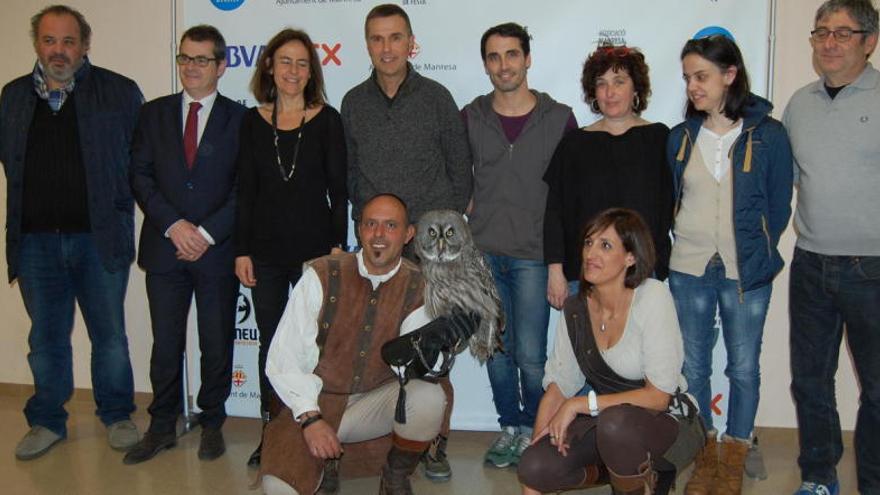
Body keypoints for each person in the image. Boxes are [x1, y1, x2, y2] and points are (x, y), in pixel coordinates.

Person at [0, 4, 142, 460]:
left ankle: (118, 414)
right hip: (36, 242)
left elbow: (138, 163)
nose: (58, 51)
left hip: (98, 239)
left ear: (84, 45)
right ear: (37, 45)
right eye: (49, 40)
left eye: (67, 41)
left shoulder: (119, 92)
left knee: (110, 337)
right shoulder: (14, 96)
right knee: (45, 339)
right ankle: (46, 420)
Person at [259, 194, 453, 495]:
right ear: (359, 230)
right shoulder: (322, 275)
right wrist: (311, 419)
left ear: (408, 234)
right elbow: (284, 359)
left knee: (428, 395)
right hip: (317, 401)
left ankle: (395, 476)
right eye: (370, 224)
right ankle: (323, 463)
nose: (379, 234)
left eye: (391, 225)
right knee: (277, 488)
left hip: (374, 404)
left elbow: (419, 367)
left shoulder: (421, 287)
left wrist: (443, 341)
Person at [667, 34, 793, 494]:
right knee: (695, 367)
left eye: (701, 76)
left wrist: (755, 248)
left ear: (730, 75)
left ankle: (736, 450)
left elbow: (778, 209)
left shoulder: (770, 134)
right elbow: (672, 201)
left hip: (748, 272)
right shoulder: (679, 137)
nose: (693, 86)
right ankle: (704, 453)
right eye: (687, 78)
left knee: (743, 367)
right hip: (689, 269)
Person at [125, 25, 246, 464]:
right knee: (165, 342)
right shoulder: (153, 114)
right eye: (184, 58)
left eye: (200, 60)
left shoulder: (240, 118)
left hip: (216, 251)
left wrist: (206, 234)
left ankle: (212, 421)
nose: (190, 68)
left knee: (216, 343)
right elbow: (139, 175)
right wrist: (174, 225)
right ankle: (162, 424)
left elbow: (243, 188)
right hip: (164, 247)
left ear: (221, 65)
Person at [517, 208, 702, 495]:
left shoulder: (653, 297)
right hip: (608, 428)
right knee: (535, 464)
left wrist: (579, 405)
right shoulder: (575, 309)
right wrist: (536, 452)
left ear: (630, 257)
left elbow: (658, 397)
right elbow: (559, 388)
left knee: (616, 423)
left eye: (605, 245)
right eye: (588, 243)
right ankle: (619, 472)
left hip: (668, 424)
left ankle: (646, 477)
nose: (591, 253)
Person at [461, 22, 576, 469]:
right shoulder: (471, 116)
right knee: (495, 350)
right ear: (486, 64)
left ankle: (534, 428)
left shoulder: (559, 118)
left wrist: (558, 263)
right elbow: (460, 178)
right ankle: (508, 427)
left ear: (527, 59)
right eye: (493, 56)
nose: (503, 64)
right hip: (484, 254)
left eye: (512, 54)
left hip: (533, 256)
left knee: (530, 355)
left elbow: (568, 196)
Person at [234, 28, 347, 468]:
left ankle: (314, 426)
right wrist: (241, 249)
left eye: (302, 63)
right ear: (269, 66)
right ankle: (273, 430)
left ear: (312, 71)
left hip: (315, 253)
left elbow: (340, 192)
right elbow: (245, 191)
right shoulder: (251, 121)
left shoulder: (327, 119)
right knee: (271, 346)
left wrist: (338, 247)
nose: (293, 71)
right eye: (285, 61)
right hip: (263, 252)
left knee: (312, 346)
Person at [782, 1, 880, 494]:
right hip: (812, 265)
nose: (830, 43)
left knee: (879, 391)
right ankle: (819, 479)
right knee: (810, 383)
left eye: (843, 33)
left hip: (874, 269)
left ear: (870, 40)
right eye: (822, 32)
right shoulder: (799, 104)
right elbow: (795, 182)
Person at [543, 45, 672, 313]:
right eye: (601, 84)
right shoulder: (574, 144)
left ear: (636, 89)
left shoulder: (660, 140)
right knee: (587, 354)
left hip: (642, 277)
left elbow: (671, 210)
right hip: (586, 277)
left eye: (619, 82)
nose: (609, 92)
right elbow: (554, 212)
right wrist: (555, 271)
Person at [342, 3, 472, 226]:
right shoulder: (353, 102)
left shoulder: (437, 97)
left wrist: (447, 220)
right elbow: (349, 170)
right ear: (368, 46)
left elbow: (460, 167)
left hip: (432, 238)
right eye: (377, 39)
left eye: (395, 38)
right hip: (378, 237)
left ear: (410, 43)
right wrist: (365, 215)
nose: (386, 49)